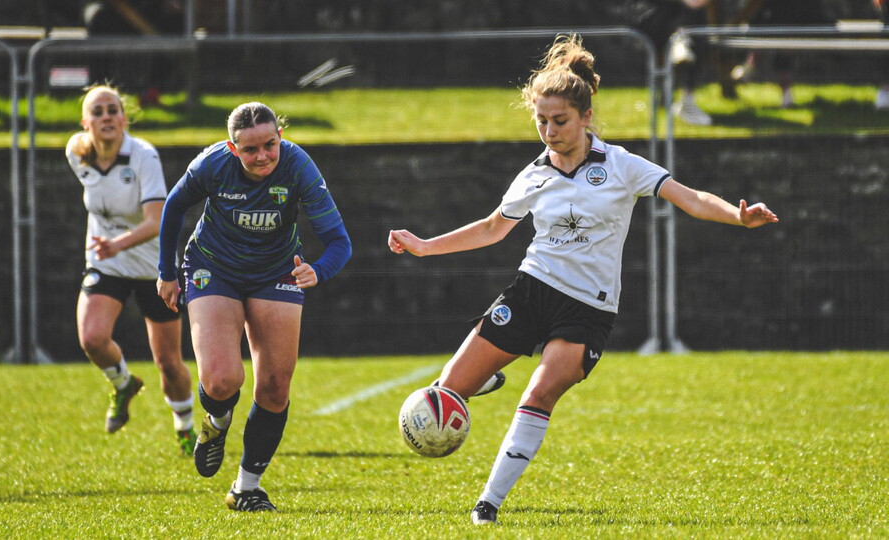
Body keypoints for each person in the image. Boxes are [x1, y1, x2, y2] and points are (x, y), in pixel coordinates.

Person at [387, 34, 779, 526]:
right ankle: (483, 379)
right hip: (530, 292)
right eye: (541, 121)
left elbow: (690, 197)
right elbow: (492, 229)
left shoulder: (621, 166)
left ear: (586, 116)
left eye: (560, 120)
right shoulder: (532, 175)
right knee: (444, 395)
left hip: (586, 310)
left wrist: (736, 217)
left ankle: (487, 506)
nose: (549, 130)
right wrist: (425, 245)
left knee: (538, 394)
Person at [157, 102, 352, 511]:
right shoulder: (211, 164)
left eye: (269, 145)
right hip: (213, 266)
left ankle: (247, 488)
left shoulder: (299, 166)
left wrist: (318, 271)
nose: (262, 156)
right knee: (223, 380)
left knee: (276, 386)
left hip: (276, 271)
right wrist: (167, 271)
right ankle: (217, 421)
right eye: (250, 150)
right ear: (232, 149)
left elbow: (339, 242)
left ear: (280, 137)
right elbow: (174, 206)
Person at [66, 84, 197, 455]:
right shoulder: (76, 152)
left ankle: (185, 426)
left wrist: (116, 244)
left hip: (153, 268)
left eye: (112, 110)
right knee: (92, 338)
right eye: (98, 111)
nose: (106, 116)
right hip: (106, 264)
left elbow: (157, 221)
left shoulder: (143, 156)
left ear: (124, 118)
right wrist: (109, 250)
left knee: (169, 364)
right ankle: (123, 384)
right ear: (85, 122)